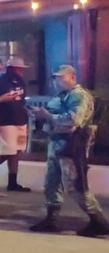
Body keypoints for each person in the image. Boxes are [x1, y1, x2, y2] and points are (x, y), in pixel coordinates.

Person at [28, 65, 108, 237]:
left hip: (71, 146)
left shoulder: (79, 96)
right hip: (57, 143)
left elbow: (73, 121)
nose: (58, 81)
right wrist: (42, 115)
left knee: (75, 185)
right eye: (56, 77)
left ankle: (99, 221)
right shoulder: (64, 95)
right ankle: (51, 220)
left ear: (72, 77)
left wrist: (47, 116)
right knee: (52, 182)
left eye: (61, 77)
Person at [0, 57, 32, 191]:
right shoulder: (0, 82)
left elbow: (21, 99)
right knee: (8, 151)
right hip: (6, 120)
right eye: (20, 69)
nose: (22, 71)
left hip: (20, 119)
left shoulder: (20, 81)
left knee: (16, 151)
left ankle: (12, 182)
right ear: (13, 68)